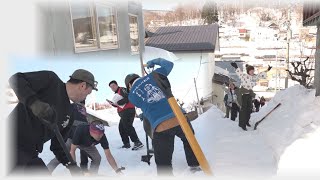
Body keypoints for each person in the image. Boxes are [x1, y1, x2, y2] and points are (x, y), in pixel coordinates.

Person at [8, 69, 97, 175]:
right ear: (82, 85)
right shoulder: (51, 81)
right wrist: (34, 103)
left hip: (30, 152)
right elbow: (16, 79)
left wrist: (71, 165)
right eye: (88, 93)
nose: (86, 96)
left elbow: (58, 146)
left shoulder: (70, 113)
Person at [125, 58, 200, 176]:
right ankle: (195, 168)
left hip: (161, 126)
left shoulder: (131, 95)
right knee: (189, 140)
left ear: (129, 85)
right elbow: (169, 64)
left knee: (163, 161)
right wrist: (154, 62)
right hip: (179, 118)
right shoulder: (155, 75)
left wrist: (144, 114)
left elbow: (145, 104)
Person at [47, 100, 90, 174]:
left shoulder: (73, 106)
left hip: (72, 134)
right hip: (77, 135)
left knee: (62, 155)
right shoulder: (81, 109)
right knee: (82, 151)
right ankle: (82, 171)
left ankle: (47, 171)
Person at [230, 63, 272, 131]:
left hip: (249, 95)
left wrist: (267, 70)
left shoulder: (254, 77)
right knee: (243, 110)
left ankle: (246, 121)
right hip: (243, 94)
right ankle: (242, 124)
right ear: (248, 71)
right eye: (251, 71)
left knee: (249, 109)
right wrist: (236, 67)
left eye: (253, 70)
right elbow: (239, 73)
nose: (252, 72)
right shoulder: (244, 76)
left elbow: (260, 75)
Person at [108, 80, 143, 150]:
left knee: (127, 126)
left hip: (128, 110)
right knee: (121, 127)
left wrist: (120, 102)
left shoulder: (122, 89)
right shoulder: (117, 94)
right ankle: (126, 143)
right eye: (111, 87)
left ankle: (137, 142)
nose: (112, 88)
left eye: (113, 86)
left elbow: (129, 96)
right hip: (124, 112)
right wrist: (114, 104)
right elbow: (119, 104)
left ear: (117, 85)